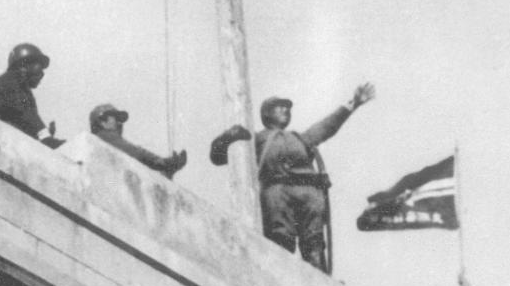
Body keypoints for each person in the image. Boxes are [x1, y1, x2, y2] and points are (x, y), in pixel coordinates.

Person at [210, 84, 375, 271]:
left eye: (287, 107)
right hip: (277, 192)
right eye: (279, 106)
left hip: (309, 194)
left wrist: (353, 104)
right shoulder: (256, 139)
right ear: (266, 114)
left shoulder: (301, 138)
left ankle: (319, 281)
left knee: (314, 244)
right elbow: (217, 157)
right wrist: (228, 137)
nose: (285, 110)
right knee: (280, 241)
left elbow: (327, 126)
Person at [0, 43, 63, 147]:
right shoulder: (10, 80)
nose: (41, 74)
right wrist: (44, 135)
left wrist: (44, 135)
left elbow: (24, 117)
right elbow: (25, 111)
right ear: (24, 65)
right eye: (39, 67)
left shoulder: (21, 87)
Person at [89, 104, 187, 179]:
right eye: (115, 118)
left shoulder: (105, 141)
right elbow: (133, 152)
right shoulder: (105, 137)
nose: (118, 123)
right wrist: (164, 163)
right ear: (102, 122)